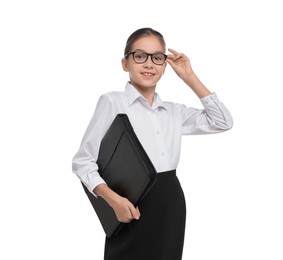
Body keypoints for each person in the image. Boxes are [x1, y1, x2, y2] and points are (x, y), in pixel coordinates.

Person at [72, 27, 233, 260]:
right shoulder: (112, 102)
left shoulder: (173, 112)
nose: (149, 64)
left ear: (165, 65)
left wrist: (189, 76)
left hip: (169, 200)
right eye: (139, 56)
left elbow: (222, 121)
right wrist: (113, 200)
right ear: (125, 64)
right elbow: (83, 162)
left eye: (157, 58)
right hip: (128, 201)